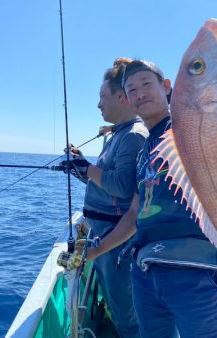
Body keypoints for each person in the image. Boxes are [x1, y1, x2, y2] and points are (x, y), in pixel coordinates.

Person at [87, 60, 217, 338]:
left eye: (147, 84)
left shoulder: (188, 128)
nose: (140, 94)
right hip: (145, 270)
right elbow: (135, 213)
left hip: (191, 268)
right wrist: (96, 251)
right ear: (126, 99)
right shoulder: (143, 152)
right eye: (132, 89)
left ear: (166, 87)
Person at [64, 58, 148, 338]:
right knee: (117, 304)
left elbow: (124, 186)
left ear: (122, 98)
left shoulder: (133, 136)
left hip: (115, 239)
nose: (99, 104)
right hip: (102, 235)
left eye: (102, 96)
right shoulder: (118, 135)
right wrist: (81, 164)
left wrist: (87, 169)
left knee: (126, 314)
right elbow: (103, 182)